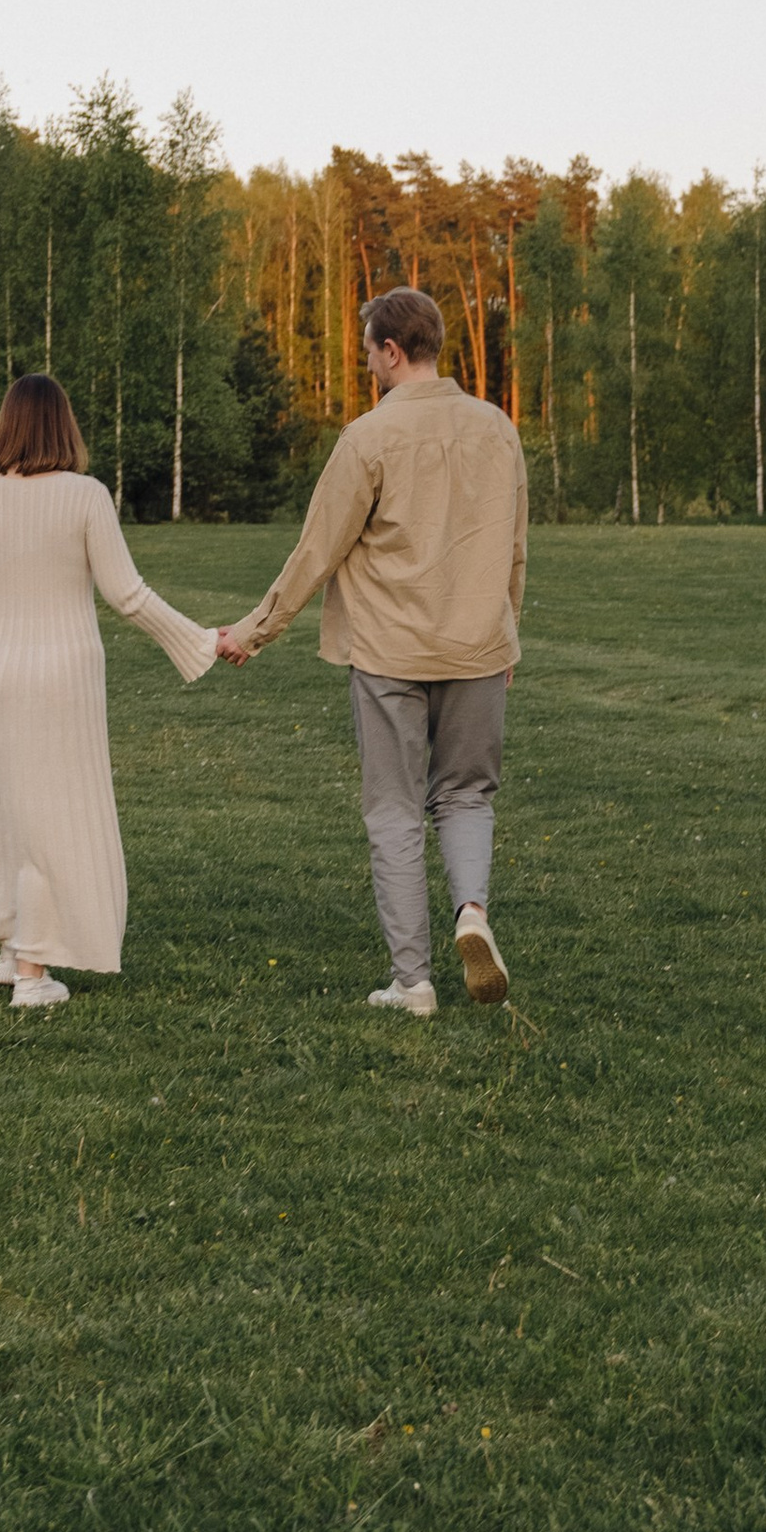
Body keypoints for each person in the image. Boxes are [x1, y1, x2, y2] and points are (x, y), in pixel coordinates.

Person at [215, 286, 525, 1017]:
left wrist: (254, 630)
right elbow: (514, 545)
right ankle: (472, 911)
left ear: (391, 351)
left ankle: (412, 981)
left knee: (394, 811)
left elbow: (316, 550)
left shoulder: (367, 439)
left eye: (368, 354)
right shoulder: (497, 428)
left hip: (390, 653)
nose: (369, 367)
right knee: (467, 794)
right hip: (481, 643)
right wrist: (508, 631)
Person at [0, 372, 218, 1011]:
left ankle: (11, 951)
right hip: (61, 681)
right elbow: (127, 594)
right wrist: (198, 641)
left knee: (12, 811)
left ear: (6, 425)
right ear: (65, 426)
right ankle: (33, 974)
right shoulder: (86, 496)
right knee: (50, 820)